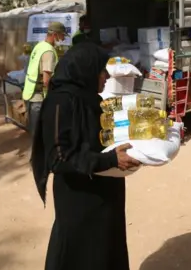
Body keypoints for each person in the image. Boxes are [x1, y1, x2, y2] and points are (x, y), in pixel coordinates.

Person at [31, 41, 141, 270]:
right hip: (78, 198)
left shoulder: (91, 99)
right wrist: (110, 160)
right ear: (86, 69)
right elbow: (59, 158)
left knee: (106, 248)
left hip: (104, 191)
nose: (106, 78)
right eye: (102, 72)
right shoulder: (60, 101)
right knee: (80, 254)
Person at [22, 21, 66, 135]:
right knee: (41, 133)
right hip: (40, 98)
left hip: (30, 94)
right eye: (62, 35)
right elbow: (47, 80)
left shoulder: (40, 45)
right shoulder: (49, 52)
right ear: (55, 34)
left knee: (34, 132)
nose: (63, 39)